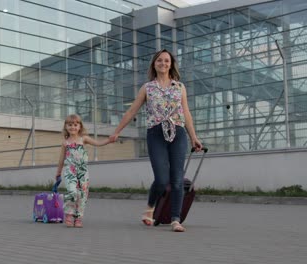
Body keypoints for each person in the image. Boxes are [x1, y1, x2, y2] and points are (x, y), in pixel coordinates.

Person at [109, 49, 202, 232]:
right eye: (160, 60)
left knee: (177, 179)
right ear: (154, 64)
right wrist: (117, 132)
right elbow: (132, 111)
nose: (163, 63)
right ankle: (149, 209)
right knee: (161, 179)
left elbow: (187, 113)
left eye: (167, 61)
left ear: (171, 64)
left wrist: (194, 137)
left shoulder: (180, 87)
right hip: (156, 133)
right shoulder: (147, 88)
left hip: (178, 133)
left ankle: (175, 219)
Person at [55, 114, 112, 228]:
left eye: (75, 125)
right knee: (72, 191)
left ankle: (79, 217)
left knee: (82, 195)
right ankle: (69, 215)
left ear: (80, 126)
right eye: (70, 125)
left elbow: (98, 143)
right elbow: (61, 159)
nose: (73, 127)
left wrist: (109, 140)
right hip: (70, 172)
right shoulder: (65, 142)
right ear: (66, 127)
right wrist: (58, 172)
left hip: (82, 172)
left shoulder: (83, 139)